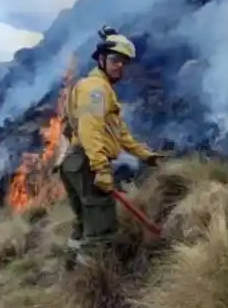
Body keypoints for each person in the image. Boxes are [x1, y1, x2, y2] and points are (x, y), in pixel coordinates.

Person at [58, 26, 165, 268]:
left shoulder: (102, 89)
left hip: (76, 162)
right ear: (102, 59)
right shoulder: (96, 89)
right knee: (101, 232)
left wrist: (145, 155)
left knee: (85, 222)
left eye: (123, 63)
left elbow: (120, 134)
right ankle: (92, 283)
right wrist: (101, 168)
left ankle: (72, 267)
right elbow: (90, 129)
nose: (120, 67)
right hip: (87, 163)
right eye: (115, 60)